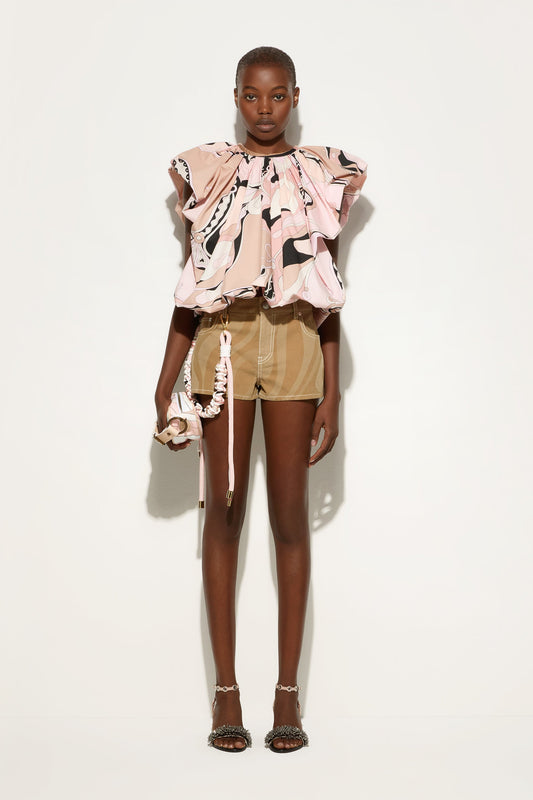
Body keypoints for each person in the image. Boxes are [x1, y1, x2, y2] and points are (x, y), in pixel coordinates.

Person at [154, 46, 367, 753]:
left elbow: (325, 291)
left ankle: (287, 695)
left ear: (295, 97)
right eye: (252, 95)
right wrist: (164, 380)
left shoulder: (318, 175)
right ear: (237, 97)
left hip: (296, 342)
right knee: (224, 510)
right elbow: (194, 283)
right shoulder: (210, 171)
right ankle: (226, 693)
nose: (265, 108)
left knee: (288, 517)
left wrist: (333, 389)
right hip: (222, 344)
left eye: (278, 95)